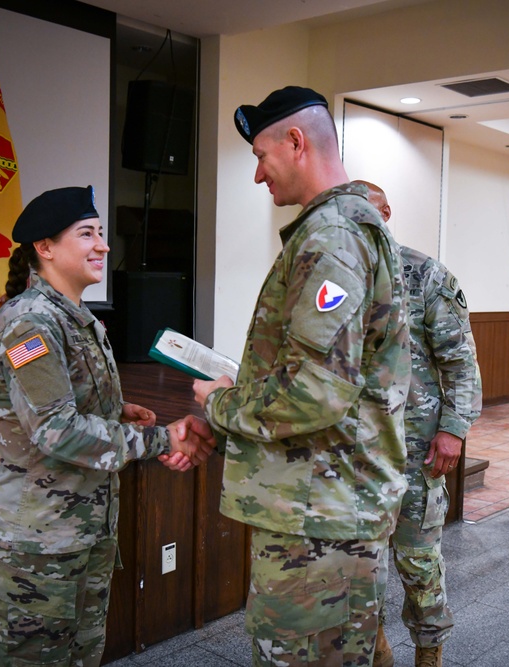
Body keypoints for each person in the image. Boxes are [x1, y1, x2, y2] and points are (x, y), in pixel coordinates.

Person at [191, 87, 411, 666]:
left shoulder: (331, 238)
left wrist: (222, 403)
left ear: (296, 142)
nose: (260, 175)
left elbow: (316, 391)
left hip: (321, 517)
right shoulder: (348, 227)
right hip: (334, 505)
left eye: (262, 156)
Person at [0, 185, 215, 666]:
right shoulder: (31, 323)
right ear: (44, 247)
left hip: (82, 530)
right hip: (37, 544)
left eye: (101, 233)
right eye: (87, 234)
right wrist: (162, 438)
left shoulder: (77, 317)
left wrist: (115, 408)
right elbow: (55, 429)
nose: (103, 245)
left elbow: (61, 399)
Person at [356, 182, 482, 667]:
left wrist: (453, 429)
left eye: (364, 210)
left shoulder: (425, 274)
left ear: (385, 212)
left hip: (414, 449)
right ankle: (375, 648)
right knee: (359, 565)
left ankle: (429, 651)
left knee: (417, 561)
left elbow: (462, 363)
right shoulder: (336, 275)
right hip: (354, 454)